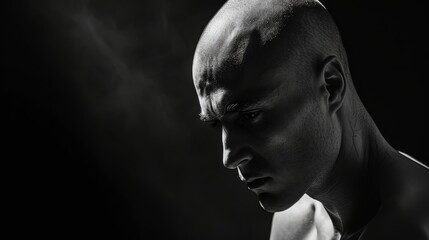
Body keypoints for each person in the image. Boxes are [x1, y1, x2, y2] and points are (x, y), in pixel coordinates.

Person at [191, 0, 429, 239]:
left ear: (330, 85)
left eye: (250, 115)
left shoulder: (411, 228)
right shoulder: (296, 221)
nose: (229, 158)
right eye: (218, 123)